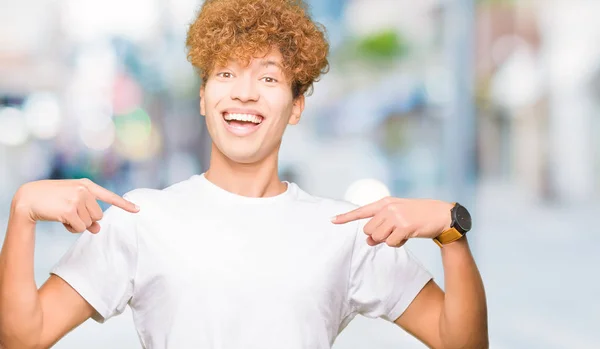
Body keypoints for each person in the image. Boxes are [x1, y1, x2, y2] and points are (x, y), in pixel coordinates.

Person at [0, 0, 488, 348]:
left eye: (269, 77)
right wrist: (21, 213)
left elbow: (459, 341)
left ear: (296, 106)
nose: (245, 93)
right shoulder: (137, 218)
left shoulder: (349, 231)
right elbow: (24, 337)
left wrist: (451, 231)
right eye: (226, 74)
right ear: (203, 97)